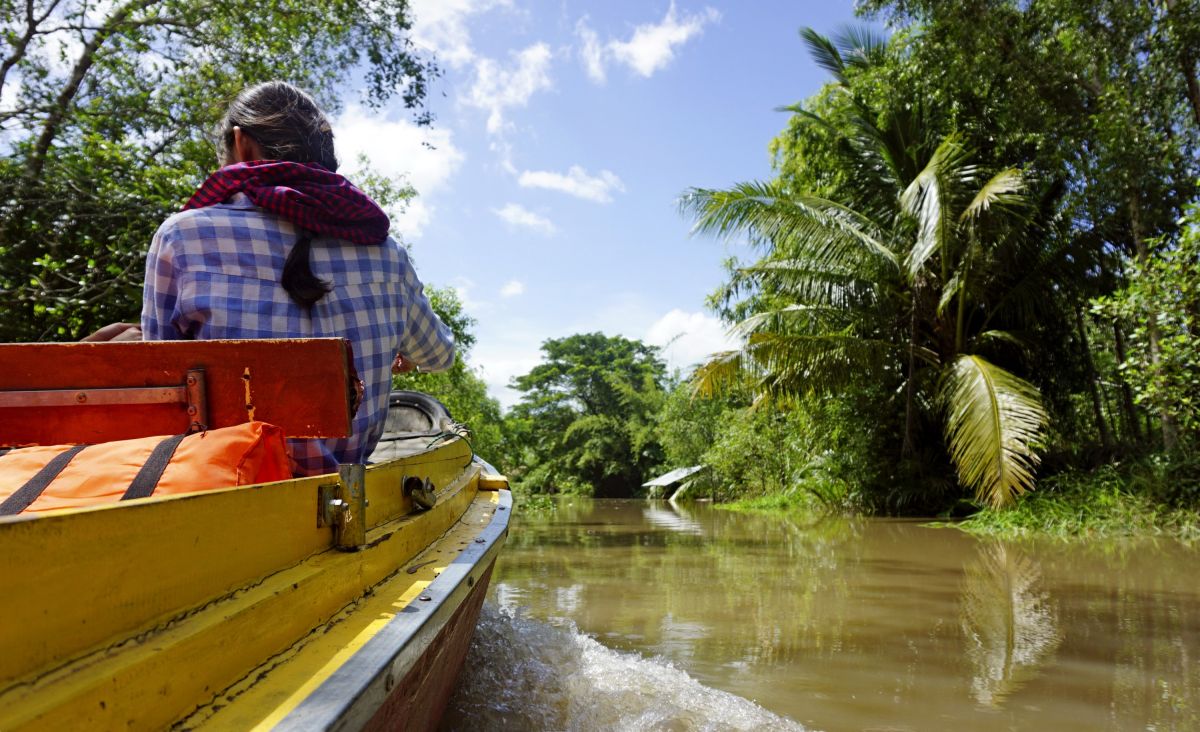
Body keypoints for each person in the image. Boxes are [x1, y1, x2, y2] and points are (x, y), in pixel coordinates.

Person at [93, 81, 455, 475]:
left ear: (242, 144)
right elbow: (439, 355)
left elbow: (160, 385)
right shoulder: (386, 251)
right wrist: (393, 353)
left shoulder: (182, 235)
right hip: (345, 490)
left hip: (225, 487)